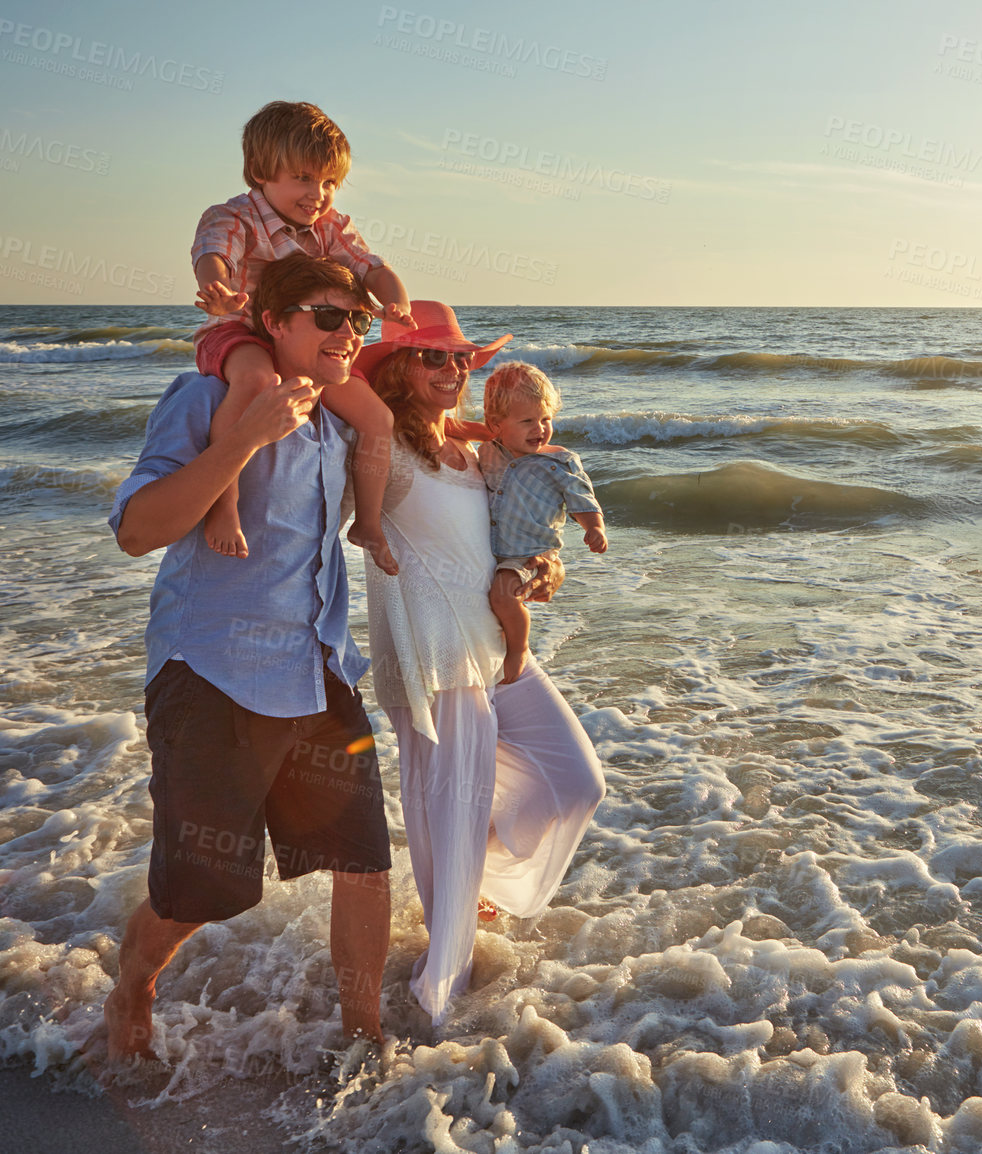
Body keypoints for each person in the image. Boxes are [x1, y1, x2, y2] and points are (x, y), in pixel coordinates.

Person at [102, 255, 393, 1057]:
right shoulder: (206, 400)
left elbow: (434, 435)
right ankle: (131, 990)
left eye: (358, 322)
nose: (348, 334)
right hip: (212, 671)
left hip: (319, 668)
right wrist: (249, 438)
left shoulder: (343, 427)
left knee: (364, 862)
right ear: (276, 323)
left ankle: (365, 1040)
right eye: (329, 317)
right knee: (203, 890)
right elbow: (137, 531)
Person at [354, 302, 607, 1026]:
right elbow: (348, 412)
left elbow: (526, 527)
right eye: (432, 356)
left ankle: (477, 883)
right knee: (453, 826)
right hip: (437, 661)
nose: (452, 369)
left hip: (494, 653)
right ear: (400, 367)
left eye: (461, 358)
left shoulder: (482, 452)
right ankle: (438, 1012)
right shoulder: (385, 450)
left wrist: (543, 566)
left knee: (576, 782)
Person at [191, 100, 412, 575]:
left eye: (330, 182)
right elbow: (214, 256)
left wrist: (397, 304)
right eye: (304, 178)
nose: (319, 193)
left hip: (305, 346)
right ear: (261, 172)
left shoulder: (329, 227)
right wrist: (220, 290)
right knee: (255, 382)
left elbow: (371, 267)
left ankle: (367, 525)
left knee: (377, 417)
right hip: (239, 329)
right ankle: (222, 504)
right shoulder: (234, 217)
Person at [476, 362, 608, 686]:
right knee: (498, 595)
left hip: (529, 553)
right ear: (496, 425)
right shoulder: (486, 452)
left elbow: (584, 500)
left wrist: (594, 528)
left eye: (546, 419)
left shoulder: (559, 462)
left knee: (505, 595)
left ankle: (518, 648)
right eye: (527, 421)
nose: (540, 429)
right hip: (492, 550)